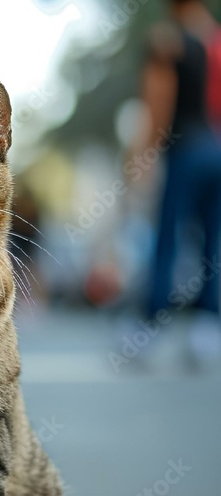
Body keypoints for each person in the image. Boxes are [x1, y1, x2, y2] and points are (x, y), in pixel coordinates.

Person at [142, 0, 221, 364]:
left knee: (168, 235)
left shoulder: (168, 39)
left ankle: (149, 326)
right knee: (213, 240)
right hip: (215, 148)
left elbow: (160, 100)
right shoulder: (215, 41)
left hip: (186, 147)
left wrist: (145, 154)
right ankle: (207, 330)